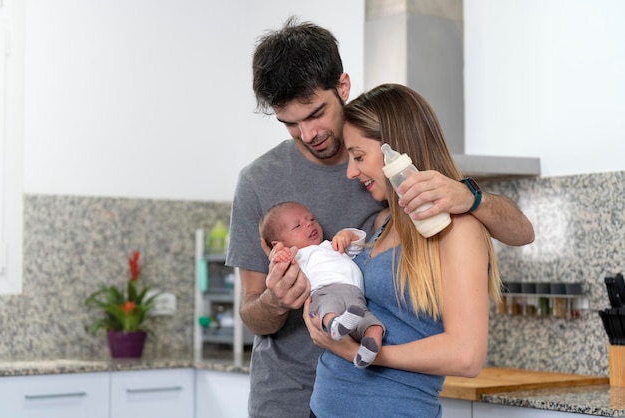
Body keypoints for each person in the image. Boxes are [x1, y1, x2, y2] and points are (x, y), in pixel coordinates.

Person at [226, 17, 534, 418]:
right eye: (290, 123)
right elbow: (252, 312)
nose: (307, 133)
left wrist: (470, 195)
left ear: (343, 86)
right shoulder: (258, 182)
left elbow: (521, 231)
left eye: (315, 113)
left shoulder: (399, 180)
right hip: (285, 397)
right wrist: (274, 299)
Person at [304, 83, 502, 417]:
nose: (352, 172)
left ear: (395, 151)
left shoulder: (459, 229)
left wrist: (360, 352)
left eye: (358, 157)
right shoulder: (383, 221)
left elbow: (467, 356)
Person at [259, 201, 385, 368]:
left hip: (355, 296)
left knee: (373, 324)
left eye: (311, 219)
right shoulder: (297, 257)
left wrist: (346, 235)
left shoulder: (330, 246)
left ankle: (366, 352)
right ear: (278, 243)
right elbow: (282, 276)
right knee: (328, 307)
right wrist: (280, 256)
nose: (309, 224)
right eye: (297, 226)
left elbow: (359, 247)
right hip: (324, 293)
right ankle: (333, 324)